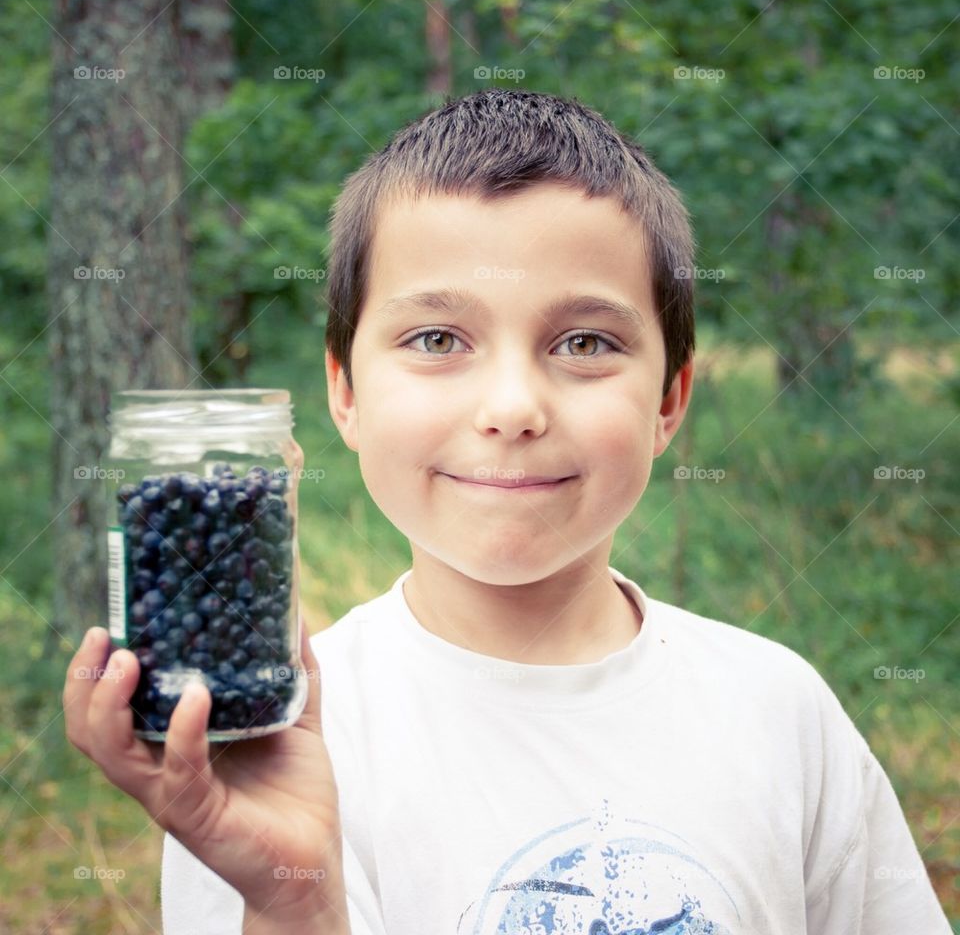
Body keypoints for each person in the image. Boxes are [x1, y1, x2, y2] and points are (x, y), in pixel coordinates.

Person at [63, 88, 951, 935]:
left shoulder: (779, 710)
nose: (514, 406)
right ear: (345, 392)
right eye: (438, 340)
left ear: (670, 401)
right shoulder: (270, 742)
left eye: (585, 342)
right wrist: (297, 908)